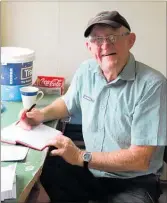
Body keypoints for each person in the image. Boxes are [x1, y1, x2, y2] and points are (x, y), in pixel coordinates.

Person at [20, 11, 167, 203]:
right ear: (89, 46)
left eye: (113, 37)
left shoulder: (152, 84)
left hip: (134, 180)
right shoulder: (86, 70)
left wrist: (82, 156)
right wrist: (41, 114)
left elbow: (140, 159)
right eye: (97, 39)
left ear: (130, 40)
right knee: (46, 165)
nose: (105, 45)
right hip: (91, 171)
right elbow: (68, 102)